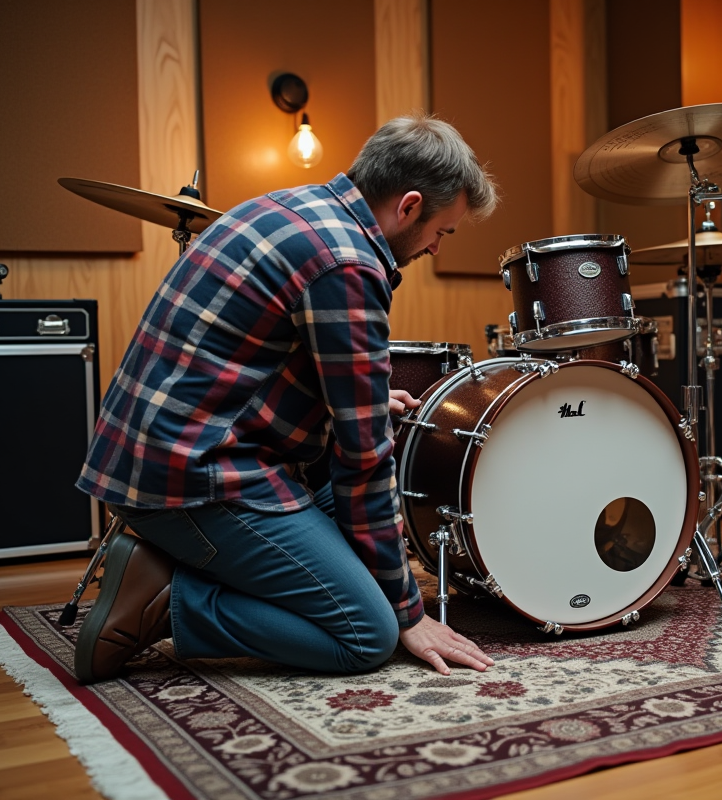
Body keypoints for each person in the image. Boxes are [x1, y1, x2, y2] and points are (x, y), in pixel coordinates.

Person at [72, 114, 499, 684]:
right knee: (367, 631)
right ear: (410, 205)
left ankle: (185, 566)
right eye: (441, 232)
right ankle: (167, 599)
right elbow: (364, 460)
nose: (437, 249)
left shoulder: (284, 208)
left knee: (359, 544)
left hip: (155, 457)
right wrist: (407, 612)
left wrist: (361, 403)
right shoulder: (347, 264)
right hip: (188, 483)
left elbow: (256, 363)